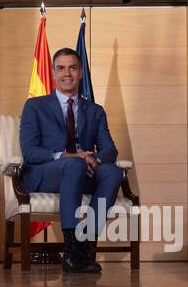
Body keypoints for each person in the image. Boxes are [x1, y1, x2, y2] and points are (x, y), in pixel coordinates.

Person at [18, 48, 124, 274]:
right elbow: (29, 152)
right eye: (61, 68)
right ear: (54, 73)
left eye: (73, 68)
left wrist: (92, 157)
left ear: (81, 73)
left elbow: (110, 150)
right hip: (46, 174)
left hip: (81, 171)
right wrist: (66, 156)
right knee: (74, 163)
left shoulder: (95, 111)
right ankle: (72, 250)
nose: (67, 73)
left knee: (113, 172)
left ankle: (82, 247)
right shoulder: (35, 106)